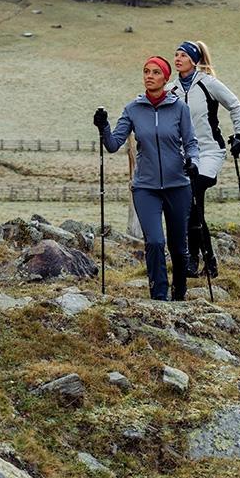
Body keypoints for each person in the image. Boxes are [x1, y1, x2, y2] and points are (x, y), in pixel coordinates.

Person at [93, 56, 199, 301]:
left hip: (178, 186)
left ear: (164, 78)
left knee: (178, 248)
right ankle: (159, 297)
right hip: (146, 188)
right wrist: (103, 127)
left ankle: (179, 292)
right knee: (154, 242)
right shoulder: (133, 109)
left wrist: (192, 161)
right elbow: (112, 144)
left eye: (155, 72)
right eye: (145, 71)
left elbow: (191, 143)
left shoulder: (179, 108)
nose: (149, 76)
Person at [169, 40, 240, 279]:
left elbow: (234, 104)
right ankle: (207, 260)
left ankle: (195, 259)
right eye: (176, 55)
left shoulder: (208, 84)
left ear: (193, 60)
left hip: (211, 152)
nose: (177, 59)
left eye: (182, 55)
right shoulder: (172, 90)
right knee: (192, 206)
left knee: (192, 196)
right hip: (185, 156)